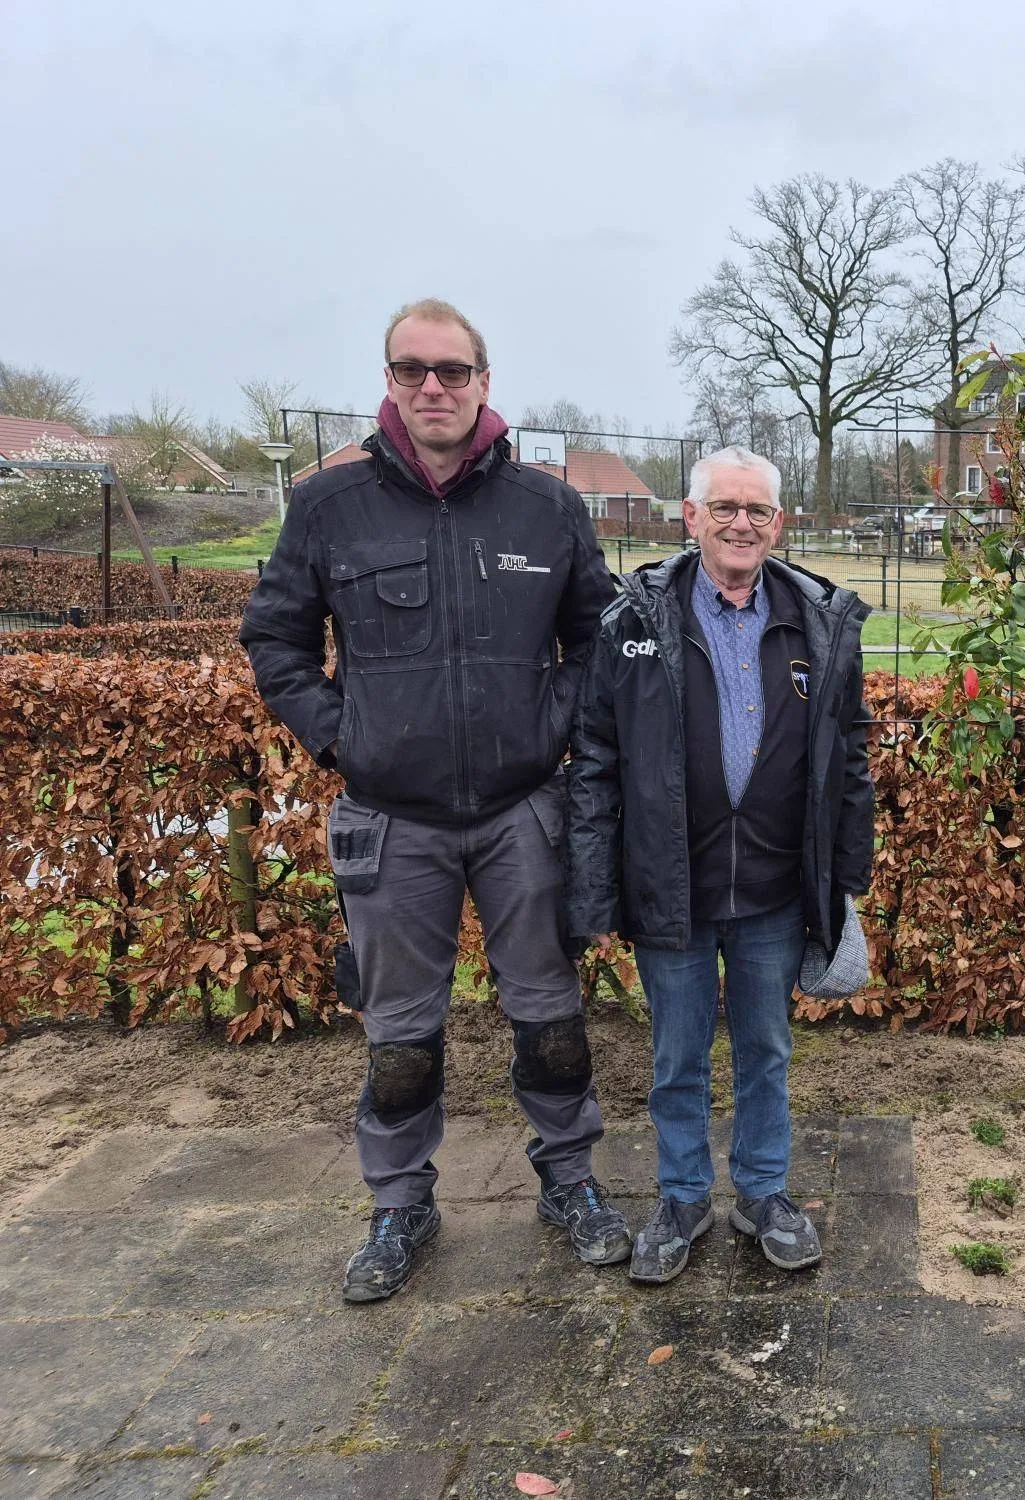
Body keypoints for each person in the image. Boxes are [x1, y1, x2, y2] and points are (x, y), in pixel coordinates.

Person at [240, 298, 629, 1301]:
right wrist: (339, 735)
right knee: (399, 1033)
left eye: (452, 370)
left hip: (520, 811)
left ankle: (569, 1178)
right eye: (412, 370)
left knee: (549, 1016)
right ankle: (399, 1204)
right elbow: (275, 640)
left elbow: (598, 641)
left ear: (485, 381)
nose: (433, 388)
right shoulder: (329, 509)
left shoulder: (548, 510)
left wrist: (553, 729)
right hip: (391, 818)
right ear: (390, 381)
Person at [565, 445, 874, 1285]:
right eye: (724, 508)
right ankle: (682, 1197)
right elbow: (594, 761)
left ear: (780, 523)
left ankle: (765, 1193)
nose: (742, 524)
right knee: (677, 1054)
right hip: (673, 886)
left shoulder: (818, 620)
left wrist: (846, 883)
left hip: (776, 889)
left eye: (758, 511)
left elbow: (848, 759)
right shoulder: (632, 621)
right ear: (690, 516)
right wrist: (594, 894)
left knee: (767, 1047)